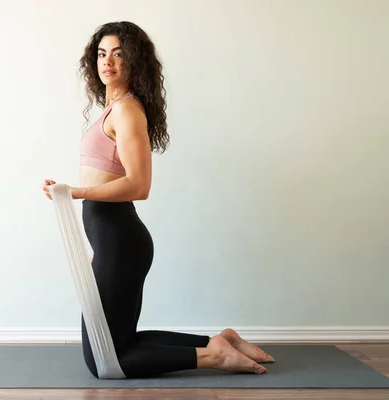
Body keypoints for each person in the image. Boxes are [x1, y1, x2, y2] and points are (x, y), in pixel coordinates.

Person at [41, 21, 275, 379]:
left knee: (105, 361)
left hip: (122, 241)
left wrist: (74, 192)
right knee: (119, 343)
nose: (108, 62)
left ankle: (216, 357)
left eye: (119, 54)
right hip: (112, 242)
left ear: (135, 61)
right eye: (102, 54)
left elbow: (138, 185)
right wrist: (97, 247)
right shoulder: (111, 108)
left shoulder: (127, 111)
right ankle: (219, 341)